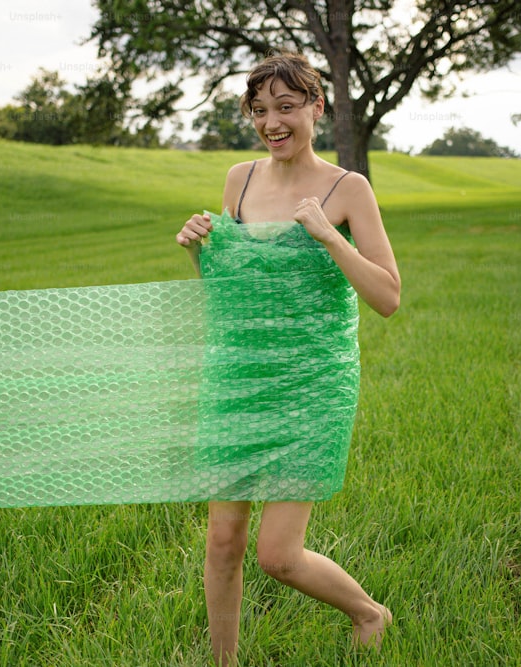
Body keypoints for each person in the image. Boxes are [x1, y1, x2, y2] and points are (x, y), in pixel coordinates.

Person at [176, 50, 400, 666]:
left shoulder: (347, 188)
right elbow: (231, 293)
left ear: (316, 107)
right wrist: (200, 250)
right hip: (238, 374)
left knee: (277, 554)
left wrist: (330, 236)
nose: (273, 122)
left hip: (313, 383)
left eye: (287, 106)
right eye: (260, 109)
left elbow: (388, 297)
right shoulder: (239, 180)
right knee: (223, 537)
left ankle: (369, 614)